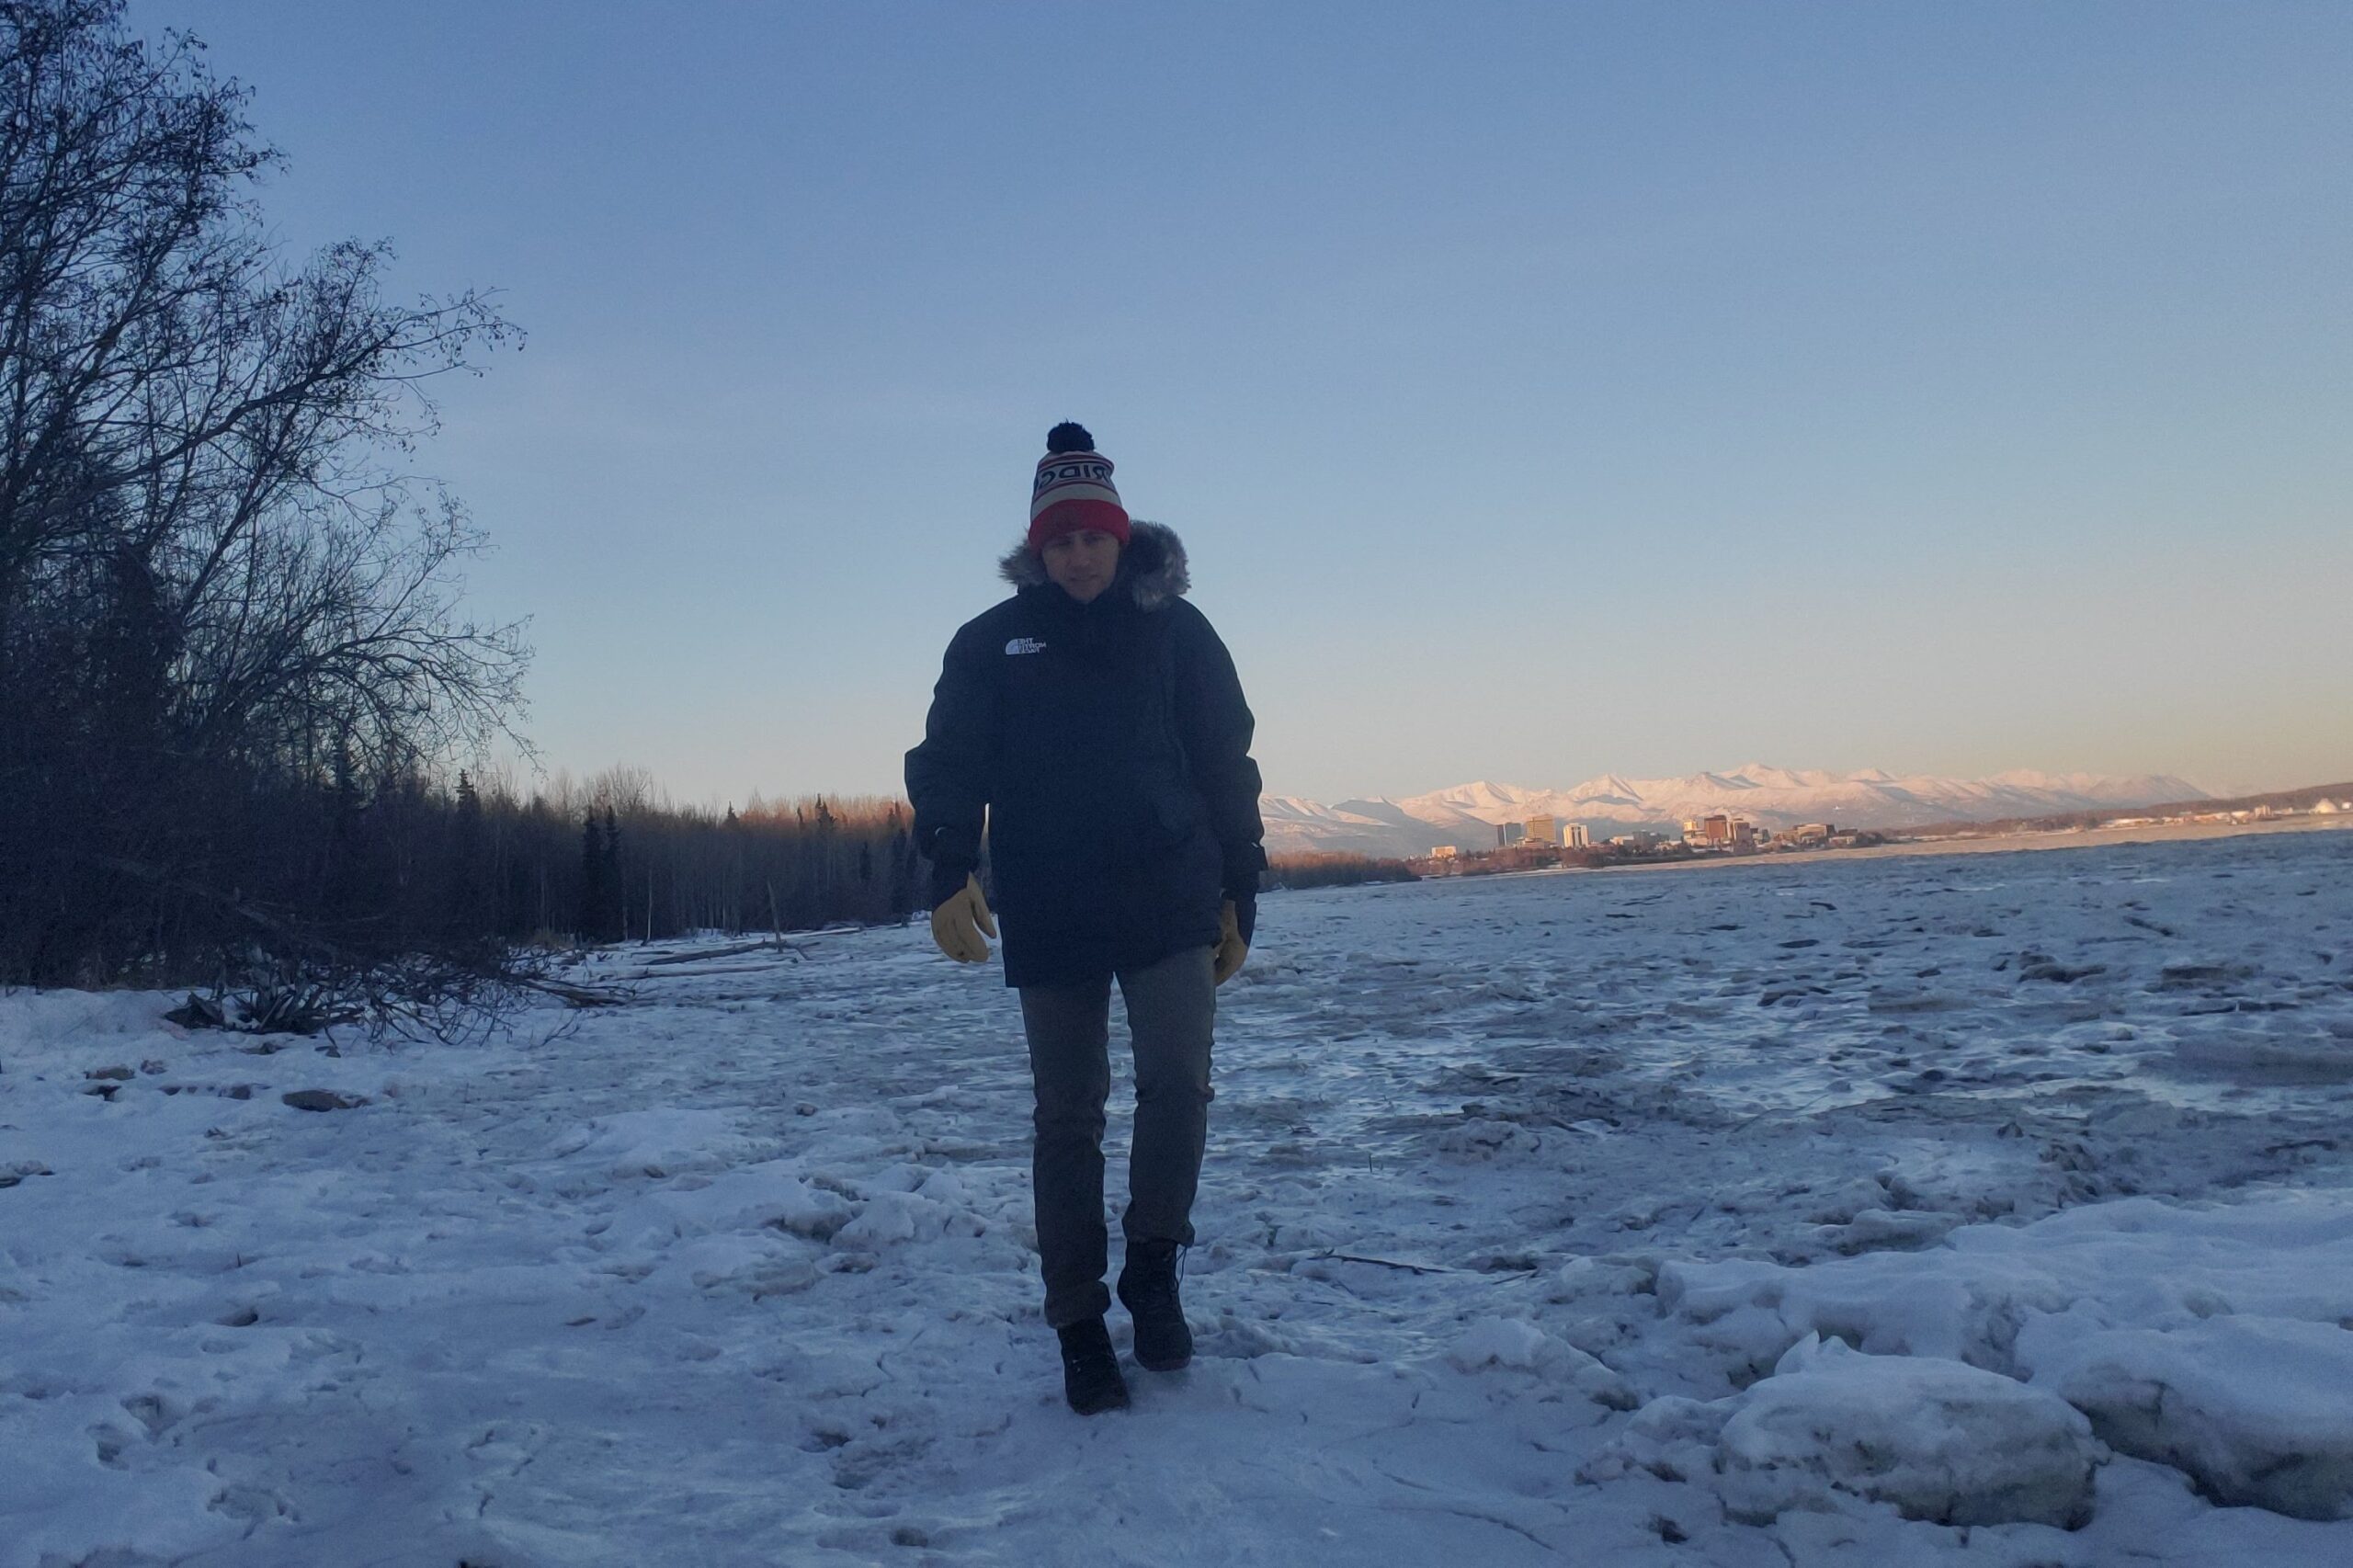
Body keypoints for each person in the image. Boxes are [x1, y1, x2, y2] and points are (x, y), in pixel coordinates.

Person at [904, 422, 1266, 1415]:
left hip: (1168, 892)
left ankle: (1152, 1264)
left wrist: (1242, 882)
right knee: (1067, 1116)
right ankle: (1076, 1319)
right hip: (1052, 900)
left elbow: (1223, 757)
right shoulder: (990, 642)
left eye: (1091, 537)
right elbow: (949, 759)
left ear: (1120, 536)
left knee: (1179, 1085)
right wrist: (947, 866)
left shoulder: (1179, 633)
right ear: (1038, 546)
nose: (1075, 555)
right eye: (1057, 540)